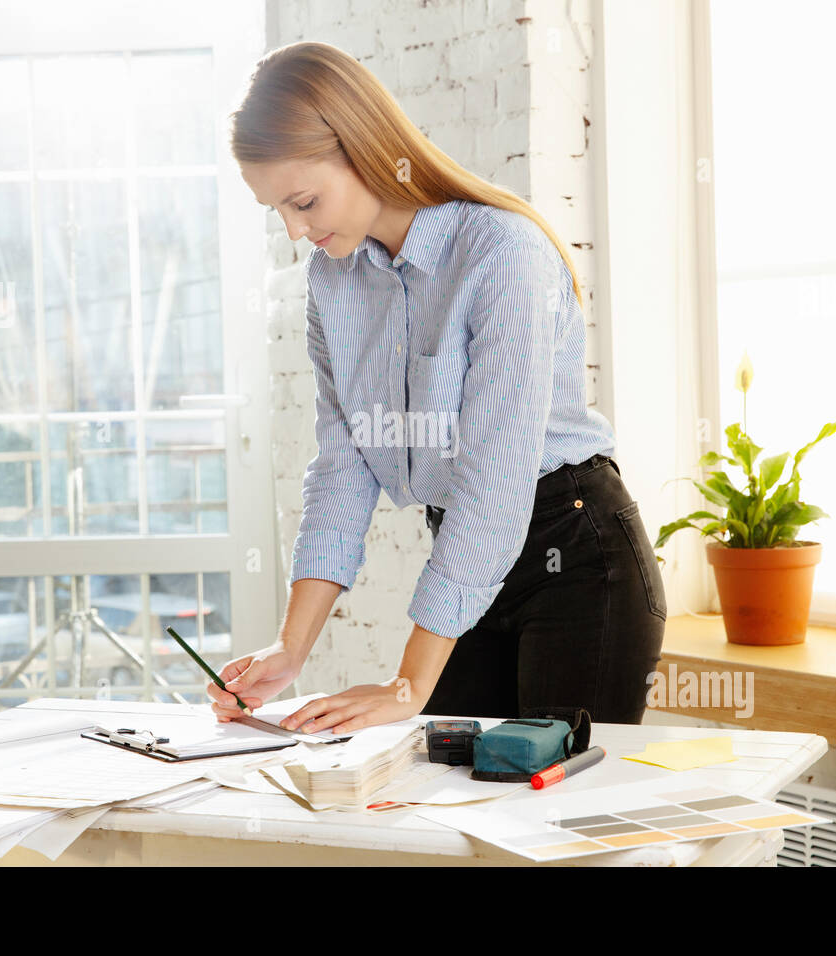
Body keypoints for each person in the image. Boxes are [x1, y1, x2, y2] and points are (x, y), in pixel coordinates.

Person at [208, 40, 666, 736]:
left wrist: (407, 684)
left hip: (575, 556)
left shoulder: (502, 255)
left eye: (303, 201)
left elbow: (494, 482)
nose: (297, 231)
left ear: (362, 148)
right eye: (279, 211)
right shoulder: (334, 282)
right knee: (451, 803)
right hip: (468, 560)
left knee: (550, 820)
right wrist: (291, 648)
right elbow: (343, 466)